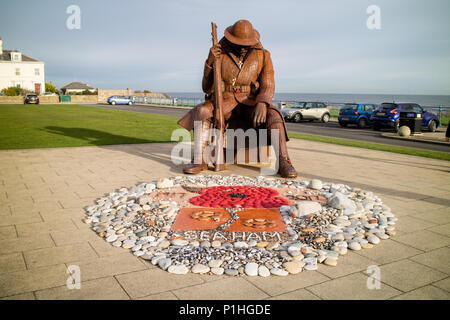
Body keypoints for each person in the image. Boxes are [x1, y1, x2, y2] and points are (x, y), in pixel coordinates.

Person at [177, 20, 297, 178]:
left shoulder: (263, 55)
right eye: (239, 44)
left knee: (274, 115)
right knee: (202, 110)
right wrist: (210, 62)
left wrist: (263, 102)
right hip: (225, 101)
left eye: (246, 45)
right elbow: (206, 87)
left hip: (250, 103)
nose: (242, 48)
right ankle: (200, 160)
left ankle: (283, 161)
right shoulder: (219, 54)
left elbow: (268, 84)